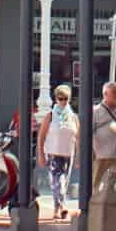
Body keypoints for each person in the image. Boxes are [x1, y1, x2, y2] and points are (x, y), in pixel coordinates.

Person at [36, 84, 77, 221]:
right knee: (58, 181)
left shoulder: (73, 117)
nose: (63, 101)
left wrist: (78, 156)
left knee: (62, 182)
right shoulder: (50, 116)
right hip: (53, 153)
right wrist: (41, 154)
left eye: (66, 99)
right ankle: (63, 205)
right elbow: (41, 136)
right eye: (60, 98)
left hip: (68, 153)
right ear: (55, 99)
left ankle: (56, 208)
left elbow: (78, 137)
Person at [90, 81, 116, 193]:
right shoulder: (95, 111)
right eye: (114, 92)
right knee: (96, 186)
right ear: (105, 94)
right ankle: (96, 202)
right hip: (101, 156)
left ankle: (115, 202)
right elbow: (88, 133)